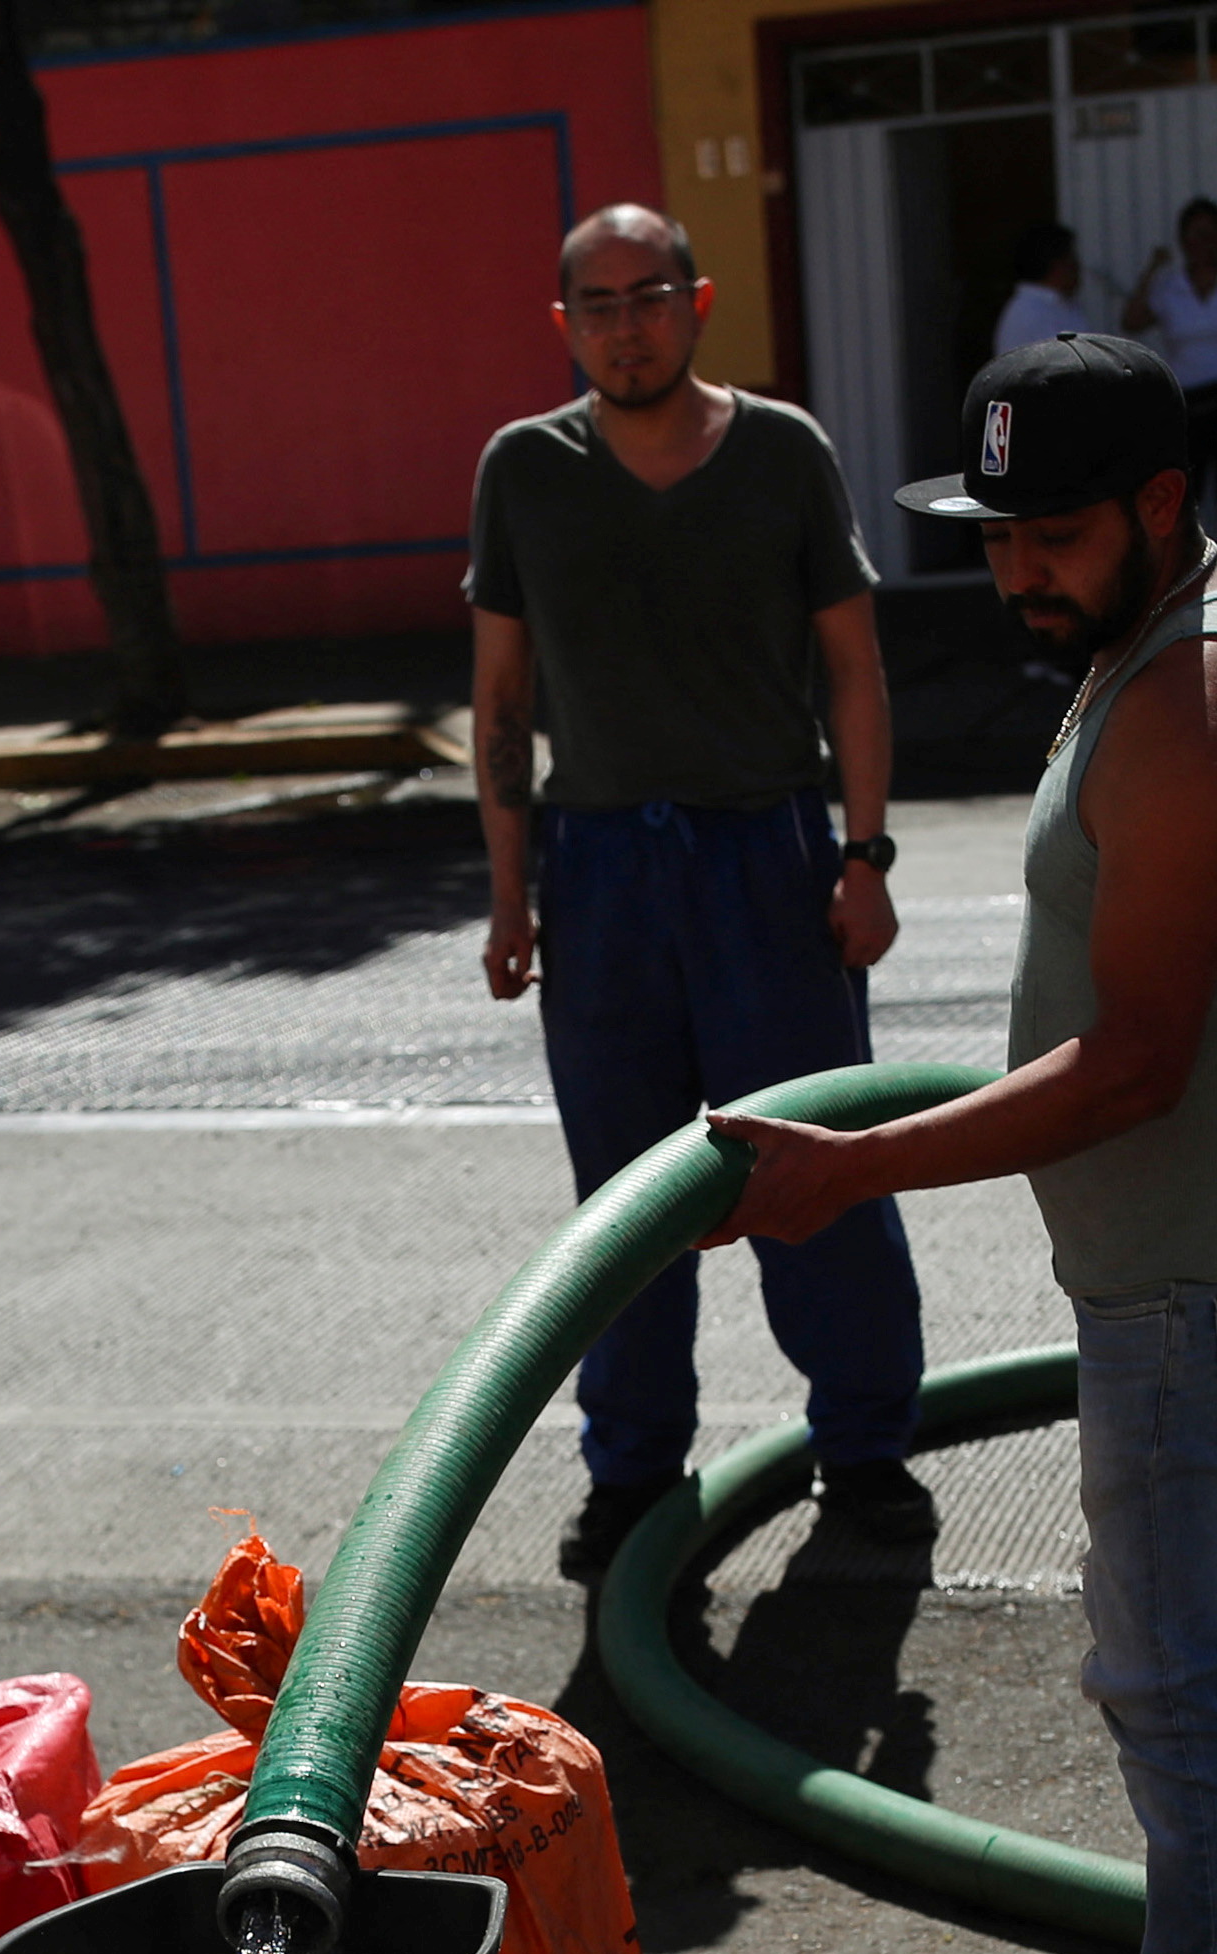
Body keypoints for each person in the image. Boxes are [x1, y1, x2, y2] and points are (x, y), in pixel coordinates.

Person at [707, 337, 1217, 1954]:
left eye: (1059, 533)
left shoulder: (1201, 699)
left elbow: (1138, 1059)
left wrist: (851, 1170)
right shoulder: (1195, 621)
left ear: (1167, 504)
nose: (1019, 569)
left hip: (1209, 1267)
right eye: (997, 531)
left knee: (1174, 1670)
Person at [471, 199, 935, 1581]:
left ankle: (865, 1449)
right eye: (597, 305)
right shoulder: (524, 471)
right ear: (565, 327)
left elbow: (853, 666)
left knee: (813, 1169)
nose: (627, 325)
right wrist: (511, 894)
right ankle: (632, 1474)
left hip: (769, 857)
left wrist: (864, 853)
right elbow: (500, 698)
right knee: (620, 1199)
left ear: (699, 299)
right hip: (600, 869)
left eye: (650, 294)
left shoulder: (784, 452)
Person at [1122, 198, 1217, 557]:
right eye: (1194, 236)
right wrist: (1151, 271)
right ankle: (1189, 569)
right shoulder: (1169, 286)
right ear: (1182, 240)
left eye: (1210, 235)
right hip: (1189, 401)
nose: (1202, 243)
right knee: (1188, 495)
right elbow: (1132, 321)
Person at [991, 221, 1090, 361]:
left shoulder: (1063, 305)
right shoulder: (1028, 312)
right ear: (1057, 265)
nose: (1078, 266)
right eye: (1071, 258)